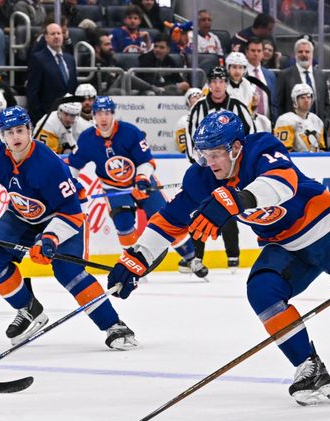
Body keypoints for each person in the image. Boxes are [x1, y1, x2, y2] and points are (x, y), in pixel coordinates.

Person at [106, 110, 330, 405]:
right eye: (204, 155)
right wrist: (136, 258)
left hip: (326, 228)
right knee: (263, 291)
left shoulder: (262, 147)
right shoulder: (203, 176)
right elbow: (170, 219)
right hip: (284, 245)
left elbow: (283, 184)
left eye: (216, 154)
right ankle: (310, 368)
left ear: (236, 147)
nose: (210, 163)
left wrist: (235, 199)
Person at [0, 106, 136, 350]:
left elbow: (72, 211)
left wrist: (49, 239)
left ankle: (114, 326)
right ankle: (28, 308)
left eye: (20, 130)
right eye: (9, 132)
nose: (15, 137)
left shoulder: (48, 164)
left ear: (30, 131)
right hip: (21, 214)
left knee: (68, 271)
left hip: (64, 215)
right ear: (1, 135)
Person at [66, 97, 208, 278]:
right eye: (99, 113)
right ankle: (133, 263)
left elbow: (146, 161)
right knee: (123, 224)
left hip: (143, 183)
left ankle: (192, 259)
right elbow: (73, 166)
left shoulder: (129, 132)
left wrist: (141, 180)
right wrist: (71, 185)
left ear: (113, 114)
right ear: (93, 115)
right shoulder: (87, 139)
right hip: (114, 188)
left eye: (107, 113)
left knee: (168, 219)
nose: (103, 118)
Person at [185, 67, 253, 268]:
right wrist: (200, 166)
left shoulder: (238, 106)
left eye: (221, 81)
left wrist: (241, 164)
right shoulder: (198, 108)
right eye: (213, 81)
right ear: (209, 84)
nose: (217, 85)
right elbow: (191, 139)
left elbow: (250, 136)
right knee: (199, 211)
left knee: (227, 209)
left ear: (226, 84)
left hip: (231, 168)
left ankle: (233, 257)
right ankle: (197, 257)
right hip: (206, 170)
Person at [26, 23, 78, 124]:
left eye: (59, 33)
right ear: (46, 37)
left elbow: (73, 87)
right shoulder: (38, 59)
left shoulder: (70, 59)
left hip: (68, 119)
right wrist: (40, 118)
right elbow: (32, 92)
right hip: (46, 118)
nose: (56, 36)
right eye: (52, 34)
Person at [275, 38, 330, 130]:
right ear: (295, 54)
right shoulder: (284, 75)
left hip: (318, 130)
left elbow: (326, 104)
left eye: (307, 52)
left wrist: (324, 122)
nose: (304, 54)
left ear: (312, 54)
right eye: (300, 52)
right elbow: (279, 104)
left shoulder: (321, 76)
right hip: (293, 131)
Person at [274, 83, 325, 152]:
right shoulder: (285, 120)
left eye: (309, 97)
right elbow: (284, 152)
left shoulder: (317, 120)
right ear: (295, 100)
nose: (306, 100)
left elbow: (322, 150)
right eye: (302, 98)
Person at [245, 37, 278, 124]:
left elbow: (274, 103)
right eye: (253, 50)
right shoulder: (241, 74)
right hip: (248, 123)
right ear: (247, 52)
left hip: (267, 124)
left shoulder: (270, 75)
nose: (256, 54)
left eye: (259, 51)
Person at [175, 88, 204, 155]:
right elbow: (183, 148)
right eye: (194, 96)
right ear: (188, 103)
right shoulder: (183, 121)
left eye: (200, 95)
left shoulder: (212, 117)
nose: (198, 98)